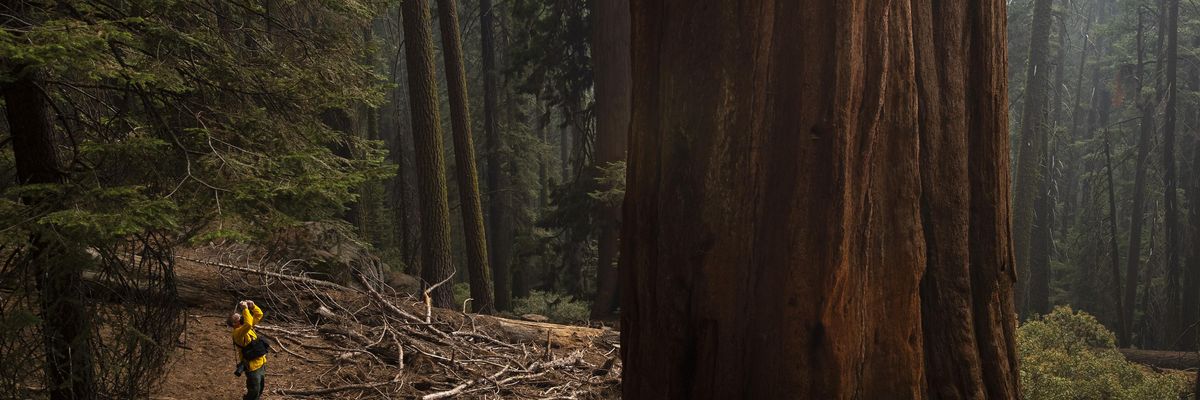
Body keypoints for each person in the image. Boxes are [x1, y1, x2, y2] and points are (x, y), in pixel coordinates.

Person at [227, 300, 267, 400]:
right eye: (236, 318)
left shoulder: (244, 326)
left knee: (261, 387)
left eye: (239, 315)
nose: (240, 317)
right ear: (234, 324)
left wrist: (252, 306)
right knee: (254, 389)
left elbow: (259, 315)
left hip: (261, 361)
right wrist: (245, 309)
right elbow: (249, 324)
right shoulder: (238, 333)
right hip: (252, 366)